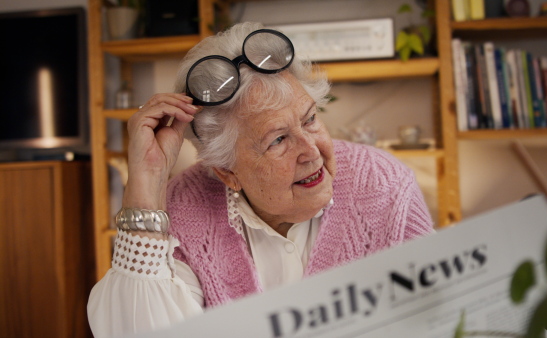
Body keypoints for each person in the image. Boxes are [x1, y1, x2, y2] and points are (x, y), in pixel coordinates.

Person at [87, 22, 434, 337]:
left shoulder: (383, 186)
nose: (311, 151)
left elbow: (442, 316)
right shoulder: (185, 209)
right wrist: (146, 185)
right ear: (227, 172)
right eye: (278, 140)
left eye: (310, 119)